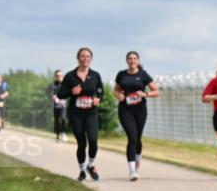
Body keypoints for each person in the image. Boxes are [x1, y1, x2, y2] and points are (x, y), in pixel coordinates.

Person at [58, 48, 104, 182]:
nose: (85, 59)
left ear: (91, 59)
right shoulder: (70, 76)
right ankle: (82, 171)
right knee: (81, 143)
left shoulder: (95, 75)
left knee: (93, 140)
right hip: (75, 114)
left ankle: (91, 165)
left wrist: (99, 99)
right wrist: (72, 91)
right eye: (82, 56)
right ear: (78, 58)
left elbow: (101, 92)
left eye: (88, 56)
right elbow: (61, 94)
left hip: (91, 113)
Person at [114, 51, 159, 181]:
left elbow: (156, 91)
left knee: (138, 138)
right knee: (132, 137)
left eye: (135, 58)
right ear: (126, 61)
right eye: (130, 58)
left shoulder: (143, 75)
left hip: (140, 110)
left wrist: (145, 94)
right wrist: (119, 95)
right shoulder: (121, 74)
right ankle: (132, 170)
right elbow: (116, 90)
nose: (132, 61)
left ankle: (137, 159)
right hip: (125, 110)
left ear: (138, 61)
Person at [47, 70, 68, 142]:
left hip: (63, 105)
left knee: (63, 118)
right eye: (57, 76)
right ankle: (57, 136)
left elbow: (69, 93)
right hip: (56, 106)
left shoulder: (65, 85)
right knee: (57, 121)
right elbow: (49, 93)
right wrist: (52, 97)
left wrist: (66, 98)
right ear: (55, 77)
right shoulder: (53, 85)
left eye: (60, 75)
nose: (59, 77)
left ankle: (63, 133)